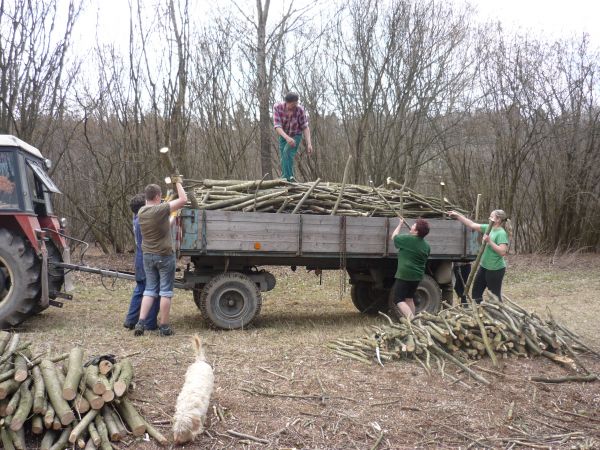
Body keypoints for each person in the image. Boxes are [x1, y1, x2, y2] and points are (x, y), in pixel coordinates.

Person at [134, 179, 187, 336]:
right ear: (158, 196)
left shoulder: (142, 212)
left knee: (149, 290)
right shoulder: (160, 209)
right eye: (161, 197)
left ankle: (140, 323)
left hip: (148, 256)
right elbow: (183, 199)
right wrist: (177, 182)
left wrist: (172, 217)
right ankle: (164, 327)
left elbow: (164, 225)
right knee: (165, 292)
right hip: (164, 256)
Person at [448, 209, 511, 303]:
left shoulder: (501, 233)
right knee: (476, 293)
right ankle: (479, 313)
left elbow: (502, 252)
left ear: (498, 220)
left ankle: (498, 315)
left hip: (495, 269)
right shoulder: (488, 228)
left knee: (495, 296)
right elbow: (471, 224)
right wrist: (457, 216)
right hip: (484, 267)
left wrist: (489, 241)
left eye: (491, 216)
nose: (489, 218)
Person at [123, 193, 160, 330]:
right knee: (152, 290)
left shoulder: (136, 219)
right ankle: (150, 323)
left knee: (140, 289)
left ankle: (130, 320)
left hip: (139, 258)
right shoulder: (142, 221)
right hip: (145, 259)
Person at [390, 217, 431, 320]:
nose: (412, 225)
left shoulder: (407, 240)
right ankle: (414, 321)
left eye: (414, 225)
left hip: (405, 275)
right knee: (409, 298)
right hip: (417, 276)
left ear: (416, 231)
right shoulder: (426, 245)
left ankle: (412, 321)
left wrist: (400, 224)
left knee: (398, 299)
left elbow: (394, 237)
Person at [273, 92, 314, 181]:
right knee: (284, 158)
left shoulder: (300, 110)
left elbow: (305, 127)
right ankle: (289, 178)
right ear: (286, 102)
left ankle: (288, 179)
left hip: (296, 135)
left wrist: (309, 143)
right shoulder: (278, 107)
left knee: (287, 152)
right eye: (292, 105)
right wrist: (287, 138)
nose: (294, 107)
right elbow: (277, 126)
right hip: (283, 135)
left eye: (296, 104)